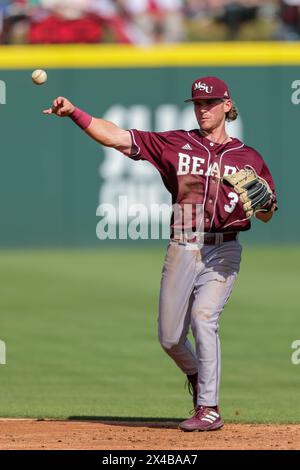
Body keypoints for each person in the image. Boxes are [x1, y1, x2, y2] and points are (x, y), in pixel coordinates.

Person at [43, 76, 277, 432]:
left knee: (204, 318)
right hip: (182, 245)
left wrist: (266, 204)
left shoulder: (248, 158)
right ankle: (198, 375)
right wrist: (75, 112)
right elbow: (118, 137)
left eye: (210, 103)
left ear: (227, 106)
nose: (203, 110)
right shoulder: (177, 144)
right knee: (169, 338)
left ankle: (209, 408)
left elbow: (266, 213)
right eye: (198, 104)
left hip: (224, 250)